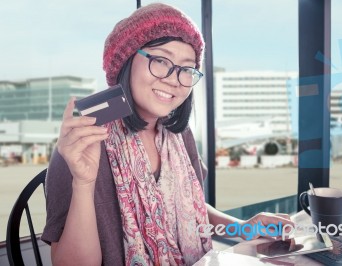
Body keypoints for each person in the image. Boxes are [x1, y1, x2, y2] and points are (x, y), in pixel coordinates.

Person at [42, 3, 293, 266]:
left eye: (186, 68)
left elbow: (191, 209)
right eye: (161, 61)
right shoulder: (85, 143)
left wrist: (243, 227)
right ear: (126, 61)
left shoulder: (178, 134)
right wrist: (82, 183)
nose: (175, 79)